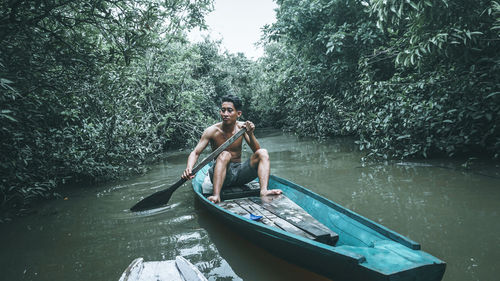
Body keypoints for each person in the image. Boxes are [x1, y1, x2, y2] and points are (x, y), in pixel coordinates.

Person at [181, 95, 282, 203]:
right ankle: (216, 195)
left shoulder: (242, 128)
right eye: (223, 110)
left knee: (263, 152)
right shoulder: (211, 131)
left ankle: (264, 191)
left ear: (238, 114)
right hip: (221, 176)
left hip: (239, 174)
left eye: (229, 111)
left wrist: (250, 134)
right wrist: (189, 168)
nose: (225, 114)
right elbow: (195, 153)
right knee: (225, 154)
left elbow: (256, 150)